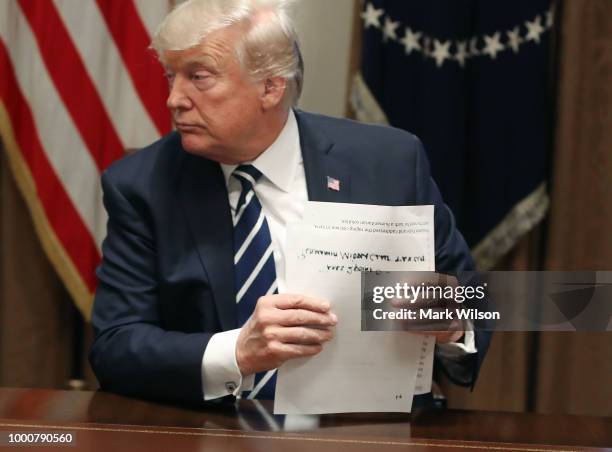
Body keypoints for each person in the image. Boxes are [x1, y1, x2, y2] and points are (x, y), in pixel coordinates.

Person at [90, 0, 490, 406]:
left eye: (200, 77)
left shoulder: (390, 162)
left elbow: (478, 301)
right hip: (213, 432)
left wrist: (454, 322)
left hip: (370, 428)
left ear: (270, 86)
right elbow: (115, 346)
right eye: (171, 76)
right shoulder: (142, 185)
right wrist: (238, 352)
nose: (174, 99)